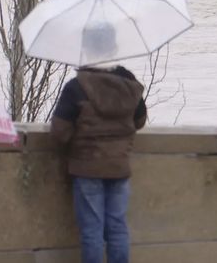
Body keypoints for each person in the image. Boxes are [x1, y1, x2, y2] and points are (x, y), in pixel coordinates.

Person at [49, 22, 148, 263]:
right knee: (117, 228)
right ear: (114, 47)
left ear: (86, 48)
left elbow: (60, 131)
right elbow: (140, 120)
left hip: (87, 167)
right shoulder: (128, 82)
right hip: (119, 166)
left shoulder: (76, 87)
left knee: (92, 231)